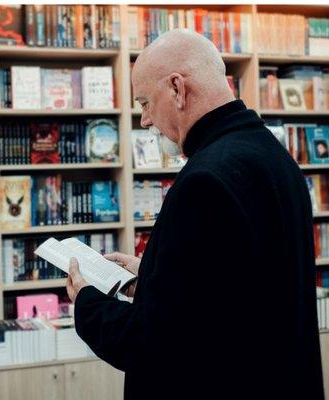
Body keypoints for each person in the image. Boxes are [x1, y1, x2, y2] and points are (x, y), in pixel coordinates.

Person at [66, 29, 324, 400]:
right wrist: (152, 277)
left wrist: (88, 301)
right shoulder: (271, 154)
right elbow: (232, 293)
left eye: (144, 103)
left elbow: (156, 345)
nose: (144, 120)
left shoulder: (204, 180)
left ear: (177, 88)